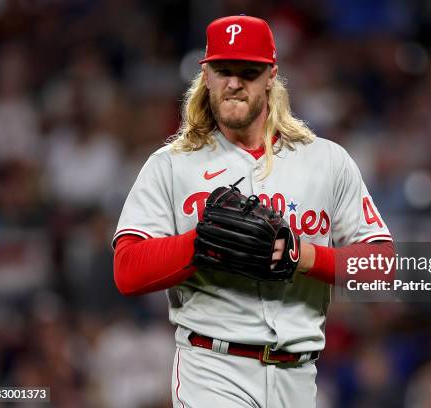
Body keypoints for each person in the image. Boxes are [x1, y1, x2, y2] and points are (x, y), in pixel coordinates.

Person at [113, 15, 394, 408]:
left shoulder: (327, 160)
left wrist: (303, 255)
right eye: (223, 70)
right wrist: (202, 246)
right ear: (206, 76)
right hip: (212, 368)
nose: (234, 82)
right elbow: (127, 270)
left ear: (271, 77)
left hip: (299, 377)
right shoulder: (171, 165)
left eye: (248, 71)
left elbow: (382, 265)